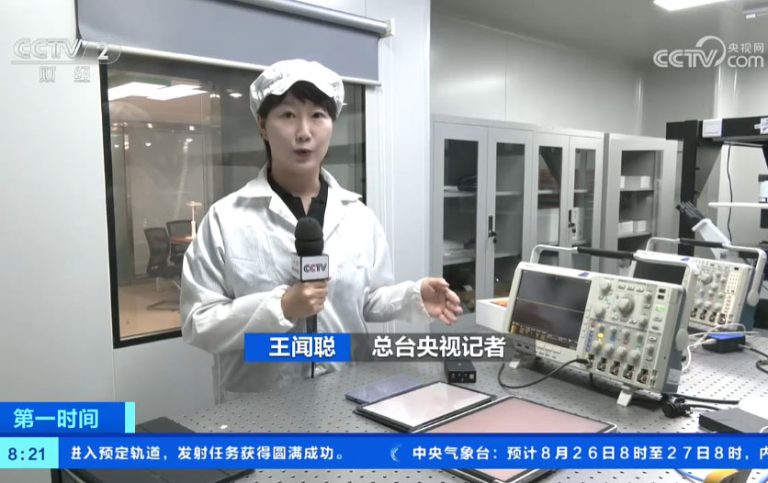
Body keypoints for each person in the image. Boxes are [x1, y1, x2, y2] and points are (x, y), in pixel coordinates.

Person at [180, 59, 462, 402]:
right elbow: (198, 322)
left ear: (332, 125)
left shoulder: (358, 217)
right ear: (263, 126)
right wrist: (282, 306)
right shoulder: (226, 220)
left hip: (346, 394)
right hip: (259, 403)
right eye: (288, 115)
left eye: (317, 115)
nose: (304, 132)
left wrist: (412, 296)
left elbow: (368, 299)